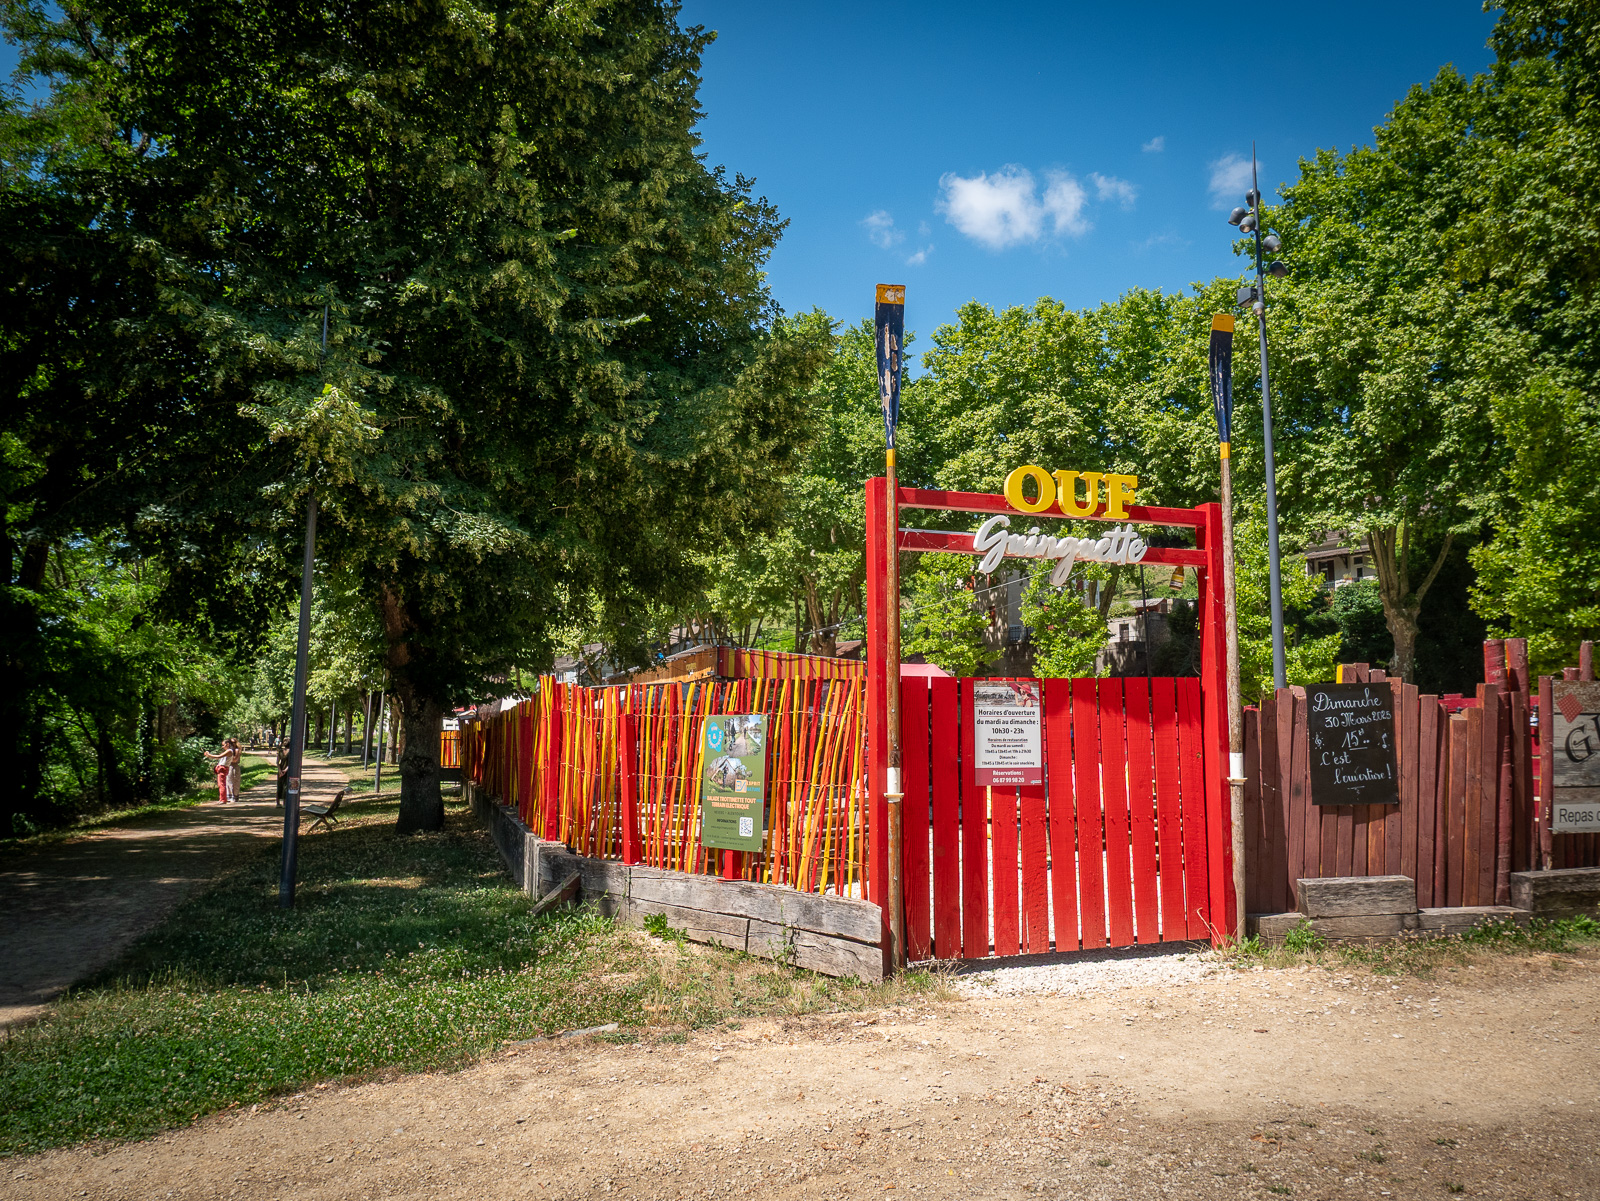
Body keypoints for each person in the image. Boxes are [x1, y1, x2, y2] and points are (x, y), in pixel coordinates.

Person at [225, 738, 242, 803]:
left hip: (234, 767)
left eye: (234, 742)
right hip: (229, 766)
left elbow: (235, 760)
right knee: (228, 781)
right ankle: (229, 796)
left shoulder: (236, 750)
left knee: (235, 782)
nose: (233, 744)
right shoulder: (228, 750)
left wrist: (228, 758)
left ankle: (235, 796)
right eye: (231, 743)